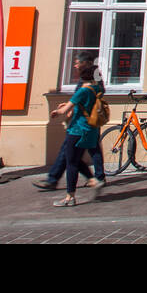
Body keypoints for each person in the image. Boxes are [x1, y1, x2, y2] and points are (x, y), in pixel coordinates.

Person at [36, 56, 106, 192]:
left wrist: (67, 108)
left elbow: (84, 97)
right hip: (89, 123)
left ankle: (68, 187)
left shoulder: (88, 82)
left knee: (73, 155)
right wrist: (72, 104)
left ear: (85, 63)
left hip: (81, 125)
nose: (75, 66)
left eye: (77, 63)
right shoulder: (92, 82)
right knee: (77, 153)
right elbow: (89, 96)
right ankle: (95, 178)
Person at [48, 64, 103, 207]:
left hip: (77, 130)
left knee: (71, 162)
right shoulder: (96, 89)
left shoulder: (82, 91)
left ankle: (69, 197)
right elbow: (85, 104)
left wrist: (56, 112)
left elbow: (65, 110)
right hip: (91, 129)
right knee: (74, 158)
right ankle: (92, 180)